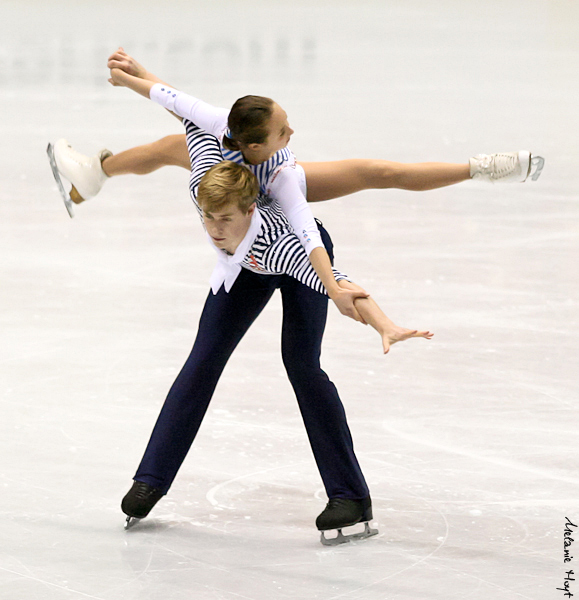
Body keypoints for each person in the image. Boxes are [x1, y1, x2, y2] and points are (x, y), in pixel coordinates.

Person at [106, 64, 432, 544]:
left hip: (298, 256)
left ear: (251, 209)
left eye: (225, 220)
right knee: (202, 360)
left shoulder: (284, 244)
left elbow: (338, 283)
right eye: (208, 218)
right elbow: (180, 105)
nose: (215, 229)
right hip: (243, 270)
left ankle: (350, 497)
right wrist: (135, 76)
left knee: (302, 364)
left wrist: (381, 321)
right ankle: (149, 480)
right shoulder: (207, 174)